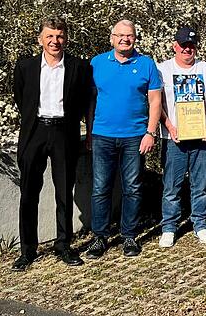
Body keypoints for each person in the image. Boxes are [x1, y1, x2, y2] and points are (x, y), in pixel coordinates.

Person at [11, 17, 93, 271]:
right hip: (34, 132)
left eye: (59, 36)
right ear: (40, 39)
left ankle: (63, 245)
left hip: (64, 133)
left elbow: (84, 101)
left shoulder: (79, 67)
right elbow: (20, 98)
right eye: (50, 36)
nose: (55, 41)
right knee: (29, 193)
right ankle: (27, 250)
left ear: (66, 39)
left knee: (63, 192)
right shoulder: (25, 67)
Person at [86, 20, 162, 259]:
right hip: (102, 136)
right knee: (100, 188)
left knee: (133, 187)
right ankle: (100, 237)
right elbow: (90, 102)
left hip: (135, 137)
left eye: (129, 36)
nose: (124, 39)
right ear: (111, 38)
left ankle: (129, 235)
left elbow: (155, 102)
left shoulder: (147, 64)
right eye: (119, 35)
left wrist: (150, 132)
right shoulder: (96, 63)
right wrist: (89, 132)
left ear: (135, 39)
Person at [157, 27, 206, 247]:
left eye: (192, 45)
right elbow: (157, 104)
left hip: (200, 137)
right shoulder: (162, 69)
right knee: (172, 186)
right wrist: (169, 126)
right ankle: (169, 227)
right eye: (184, 45)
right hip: (174, 138)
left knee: (200, 184)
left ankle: (200, 224)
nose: (187, 49)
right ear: (175, 45)